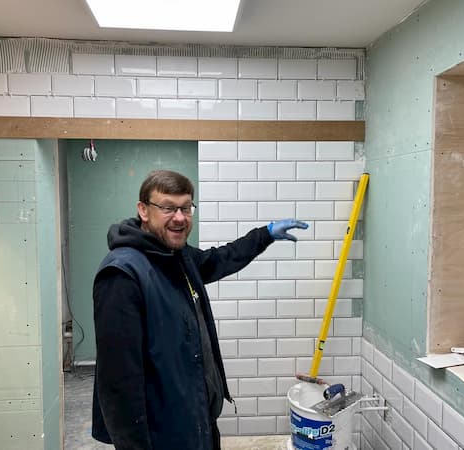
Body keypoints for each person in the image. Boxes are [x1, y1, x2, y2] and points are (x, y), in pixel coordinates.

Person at [91, 169, 308, 450]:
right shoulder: (123, 275)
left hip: (196, 419)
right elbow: (118, 385)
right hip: (163, 434)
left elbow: (219, 259)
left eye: (185, 207)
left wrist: (264, 235)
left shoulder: (176, 257)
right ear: (143, 210)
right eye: (168, 207)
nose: (180, 217)